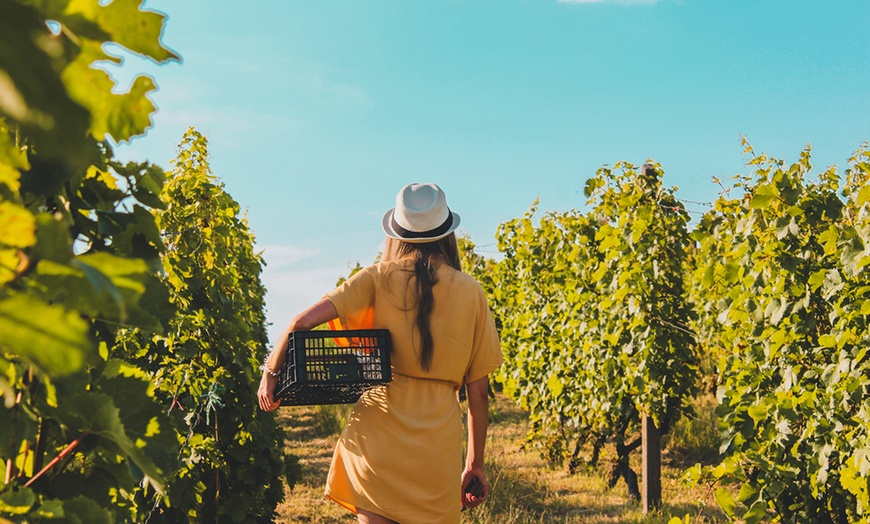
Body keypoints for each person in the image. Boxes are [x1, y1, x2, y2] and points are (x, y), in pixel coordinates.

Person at [258, 182, 504, 523]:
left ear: (397, 233)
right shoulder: (471, 291)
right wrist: (474, 465)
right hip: (436, 449)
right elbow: (478, 395)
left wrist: (270, 375)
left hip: (378, 438)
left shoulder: (375, 277)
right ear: (446, 232)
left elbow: (300, 322)